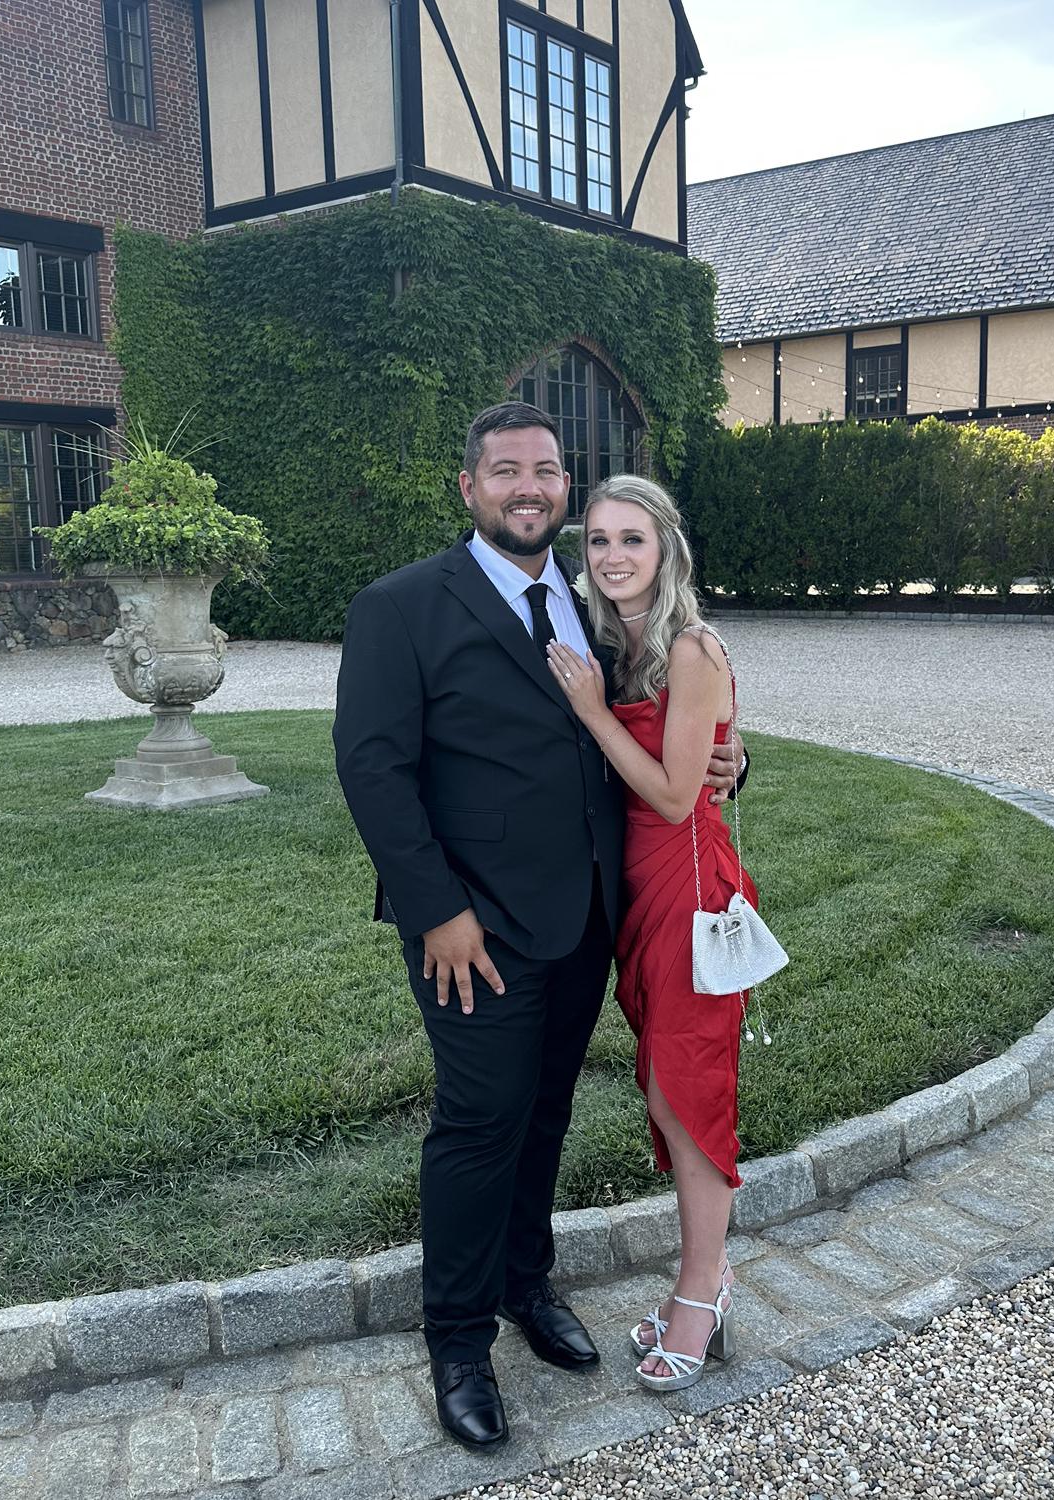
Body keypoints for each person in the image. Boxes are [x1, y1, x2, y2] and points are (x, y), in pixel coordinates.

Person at [333, 403, 744, 1449]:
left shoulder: (591, 598)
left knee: (545, 1115)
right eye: (507, 470)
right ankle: (458, 1341)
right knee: (480, 1127)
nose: (530, 487)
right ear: (469, 487)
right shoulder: (401, 606)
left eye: (547, 471)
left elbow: (659, 722)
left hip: (590, 916)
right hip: (473, 930)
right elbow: (373, 771)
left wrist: (731, 761)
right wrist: (437, 911)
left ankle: (526, 1284)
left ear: (565, 486)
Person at [544, 473, 760, 1393]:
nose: (613, 556)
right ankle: (704, 1282)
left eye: (631, 538)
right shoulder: (608, 643)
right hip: (632, 895)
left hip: (687, 887)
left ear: (665, 547)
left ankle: (701, 1294)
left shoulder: (689, 647)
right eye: (598, 540)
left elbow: (675, 795)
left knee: (686, 1093)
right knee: (668, 1092)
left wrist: (594, 713)